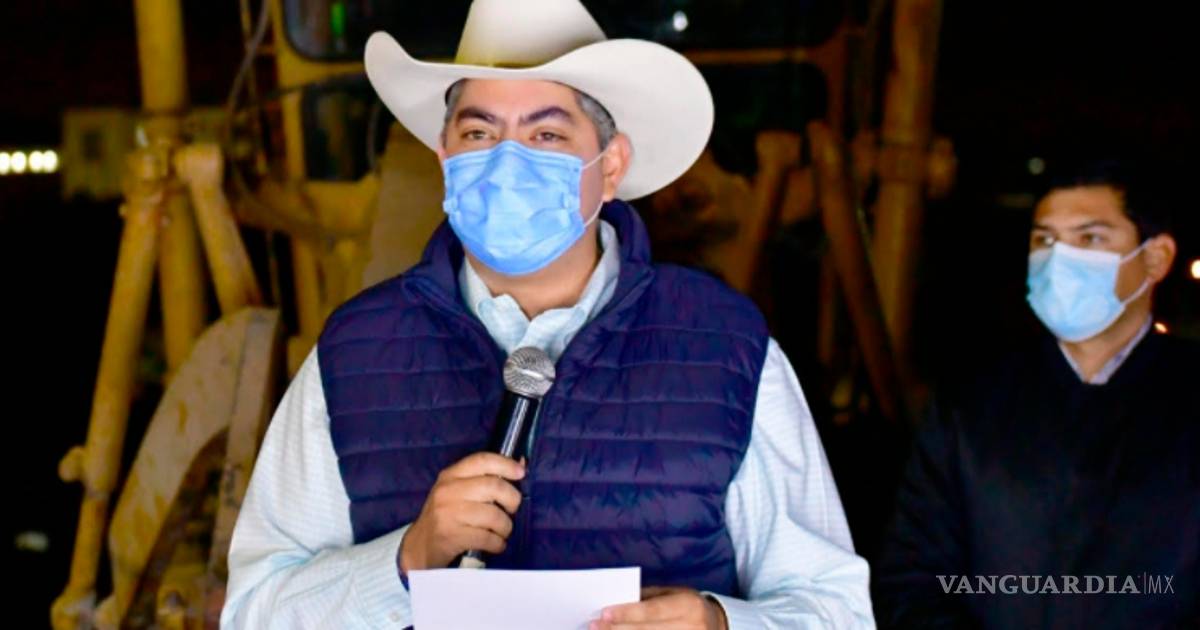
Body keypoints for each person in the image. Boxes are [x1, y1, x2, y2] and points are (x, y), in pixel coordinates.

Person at [221, 1, 874, 628]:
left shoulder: (725, 347)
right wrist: (407, 558)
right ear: (445, 159)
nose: (507, 162)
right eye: (479, 133)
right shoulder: (354, 354)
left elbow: (839, 610)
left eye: (547, 135)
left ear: (611, 166)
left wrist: (720, 623)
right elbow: (252, 613)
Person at [874, 159, 1199, 628]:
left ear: (1155, 258)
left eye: (1090, 239)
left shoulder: (1188, 401)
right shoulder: (972, 405)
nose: (1060, 260)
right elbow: (913, 573)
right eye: (1045, 241)